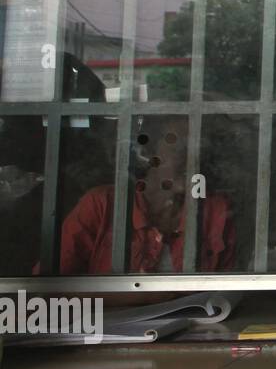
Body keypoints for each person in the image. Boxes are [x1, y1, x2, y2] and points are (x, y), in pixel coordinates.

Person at [59, 115, 237, 274]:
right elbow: (50, 289)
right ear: (148, 154)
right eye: (180, 150)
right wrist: (159, 297)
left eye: (199, 151)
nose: (192, 161)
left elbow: (226, 290)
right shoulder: (102, 205)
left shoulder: (215, 210)